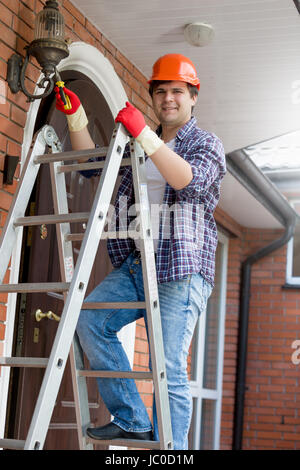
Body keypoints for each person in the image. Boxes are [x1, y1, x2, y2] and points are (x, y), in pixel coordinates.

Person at [55, 53, 226, 450]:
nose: (169, 98)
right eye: (161, 91)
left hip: (181, 269)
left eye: (178, 91)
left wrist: (144, 136)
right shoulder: (137, 142)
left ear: (193, 97)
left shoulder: (205, 143)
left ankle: (174, 452)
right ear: (153, 95)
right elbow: (91, 166)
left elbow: (191, 183)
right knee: (89, 321)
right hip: (139, 264)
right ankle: (131, 420)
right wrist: (77, 118)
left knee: (166, 367)